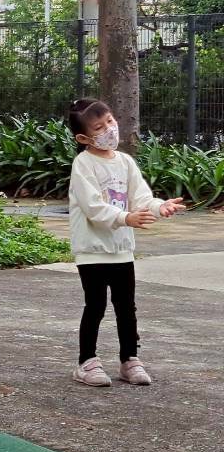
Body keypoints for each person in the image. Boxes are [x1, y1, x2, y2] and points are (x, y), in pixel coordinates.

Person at [66, 97, 184, 386]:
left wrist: (159, 207)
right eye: (99, 127)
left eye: (110, 121)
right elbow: (93, 207)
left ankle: (129, 360)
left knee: (126, 307)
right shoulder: (83, 164)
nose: (109, 129)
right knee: (95, 306)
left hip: (121, 249)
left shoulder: (125, 162)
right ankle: (86, 362)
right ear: (83, 138)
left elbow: (141, 197)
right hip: (92, 250)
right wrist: (125, 217)